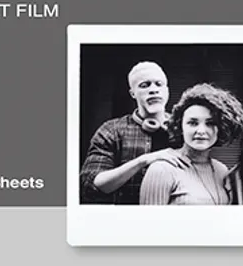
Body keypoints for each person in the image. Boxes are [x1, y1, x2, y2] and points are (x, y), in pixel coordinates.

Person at [80, 61, 189, 204]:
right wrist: (142, 161)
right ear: (132, 93)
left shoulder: (184, 129)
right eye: (145, 85)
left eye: (159, 84)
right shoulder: (111, 130)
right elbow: (90, 185)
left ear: (167, 91)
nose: (153, 90)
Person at [139, 84, 243, 205]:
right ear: (180, 126)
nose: (201, 131)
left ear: (221, 127)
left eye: (210, 123)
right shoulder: (162, 169)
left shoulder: (221, 170)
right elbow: (150, 217)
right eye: (193, 123)